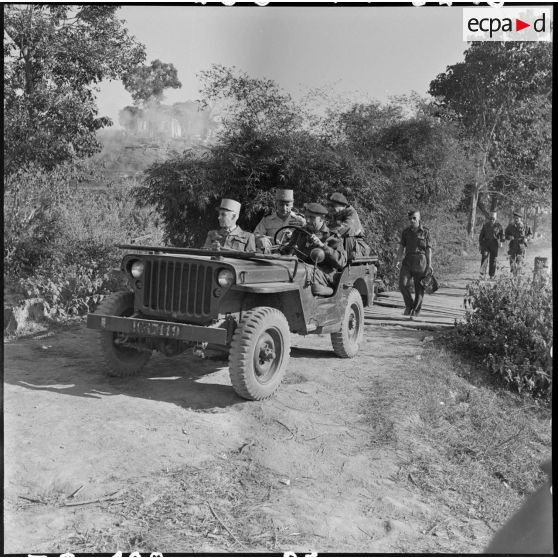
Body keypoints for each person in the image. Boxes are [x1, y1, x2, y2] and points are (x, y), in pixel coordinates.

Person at [280, 202, 347, 296]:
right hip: (300, 269)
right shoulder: (299, 233)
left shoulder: (332, 237)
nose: (307, 220)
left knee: (302, 270)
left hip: (324, 274)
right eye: (306, 216)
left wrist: (322, 246)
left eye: (312, 217)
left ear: (322, 219)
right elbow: (287, 251)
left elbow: (341, 262)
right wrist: (279, 250)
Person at [396, 209, 432, 319]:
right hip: (408, 260)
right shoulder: (406, 232)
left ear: (419, 218)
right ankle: (409, 305)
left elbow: (428, 249)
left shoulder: (425, 231)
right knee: (402, 284)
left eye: (414, 218)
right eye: (410, 218)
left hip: (421, 261)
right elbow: (402, 247)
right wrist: (398, 259)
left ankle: (416, 311)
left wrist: (429, 264)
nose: (412, 220)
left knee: (419, 287)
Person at [253, 189, 306, 253]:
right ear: (276, 204)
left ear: (292, 204)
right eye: (281, 205)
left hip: (292, 254)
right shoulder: (267, 219)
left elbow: (309, 236)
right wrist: (270, 239)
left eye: (287, 205)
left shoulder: (300, 220)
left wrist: (293, 235)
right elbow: (256, 235)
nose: (284, 208)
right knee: (262, 240)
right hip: (271, 253)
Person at [326, 192, 370, 259]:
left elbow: (345, 228)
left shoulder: (351, 213)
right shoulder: (337, 214)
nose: (330, 208)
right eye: (328, 205)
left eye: (333, 205)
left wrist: (327, 236)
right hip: (346, 247)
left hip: (355, 248)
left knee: (346, 234)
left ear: (343, 205)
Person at [505, 211, 532, 276]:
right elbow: (506, 234)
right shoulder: (510, 226)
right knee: (512, 260)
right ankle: (514, 274)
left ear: (521, 219)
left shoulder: (525, 226)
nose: (516, 219)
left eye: (517, 218)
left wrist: (527, 238)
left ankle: (518, 274)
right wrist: (509, 237)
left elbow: (530, 234)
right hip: (513, 245)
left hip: (521, 245)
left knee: (519, 260)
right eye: (515, 218)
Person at [478, 211, 505, 279]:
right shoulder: (485, 225)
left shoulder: (499, 226)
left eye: (493, 219)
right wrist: (480, 244)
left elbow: (502, 235)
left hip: (494, 243)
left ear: (495, 219)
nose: (492, 220)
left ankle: (491, 275)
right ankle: (482, 274)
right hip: (486, 243)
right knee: (484, 257)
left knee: (493, 259)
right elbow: (481, 235)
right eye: (491, 219)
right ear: (489, 219)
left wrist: (501, 242)